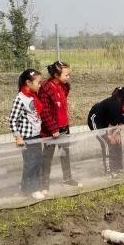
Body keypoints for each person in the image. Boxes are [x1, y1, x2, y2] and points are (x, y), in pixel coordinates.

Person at [38, 61, 80, 194]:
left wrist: (62, 126)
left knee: (65, 153)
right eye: (66, 75)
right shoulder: (46, 88)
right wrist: (53, 129)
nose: (69, 77)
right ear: (56, 75)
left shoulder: (63, 86)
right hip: (51, 130)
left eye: (69, 75)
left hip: (64, 126)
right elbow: (44, 111)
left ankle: (67, 178)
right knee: (47, 157)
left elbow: (62, 101)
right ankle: (44, 184)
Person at [8, 69, 45, 200]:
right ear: (28, 82)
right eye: (38, 82)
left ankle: (28, 186)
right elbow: (13, 119)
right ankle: (31, 189)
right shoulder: (20, 98)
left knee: (37, 161)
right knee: (31, 163)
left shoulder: (32, 96)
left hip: (36, 135)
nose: (40, 85)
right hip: (27, 138)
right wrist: (18, 136)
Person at [88, 85, 124, 178]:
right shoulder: (115, 105)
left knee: (118, 142)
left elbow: (121, 122)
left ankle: (119, 168)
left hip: (109, 122)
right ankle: (109, 171)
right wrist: (110, 135)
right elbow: (111, 125)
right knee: (107, 143)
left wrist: (117, 133)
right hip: (96, 120)